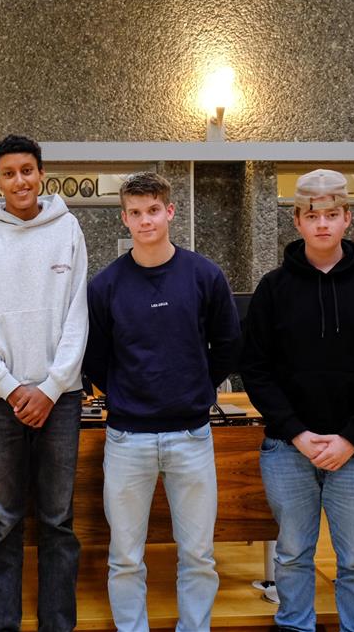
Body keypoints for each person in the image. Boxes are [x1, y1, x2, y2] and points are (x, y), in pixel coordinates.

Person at [239, 169, 354, 632]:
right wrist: (296, 432)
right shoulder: (273, 288)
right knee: (293, 554)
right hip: (288, 450)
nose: (322, 224)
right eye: (312, 216)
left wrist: (352, 437)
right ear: (297, 221)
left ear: (347, 217)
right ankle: (295, 625)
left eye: (331, 215)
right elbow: (255, 369)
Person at [83, 172, 240, 632]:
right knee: (125, 557)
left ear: (170, 211)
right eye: (135, 212)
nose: (145, 220)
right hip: (127, 437)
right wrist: (127, 392)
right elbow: (95, 359)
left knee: (198, 555)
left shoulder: (205, 275)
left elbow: (228, 345)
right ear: (124, 218)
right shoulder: (105, 285)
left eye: (153, 210)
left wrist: (195, 387)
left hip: (191, 435)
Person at [0, 134, 89, 632]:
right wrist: (10, 387)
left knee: (58, 520)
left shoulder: (68, 228)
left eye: (27, 171)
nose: (20, 181)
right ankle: (3, 624)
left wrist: (51, 388)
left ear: (42, 175)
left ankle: (58, 624)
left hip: (61, 398)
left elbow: (78, 316)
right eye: (9, 174)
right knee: (3, 521)